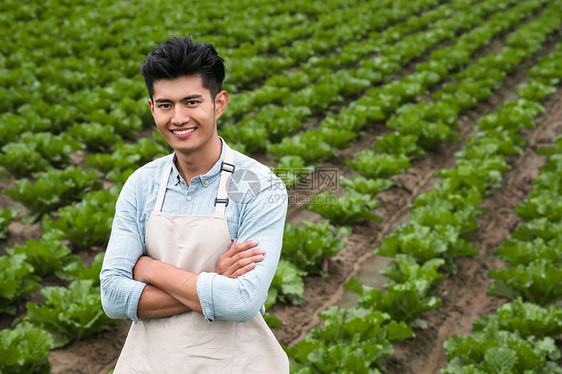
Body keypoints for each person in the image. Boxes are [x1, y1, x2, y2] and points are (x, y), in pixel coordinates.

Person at [100, 35, 289, 373]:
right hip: (150, 364)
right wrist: (212, 277)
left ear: (219, 103)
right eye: (165, 105)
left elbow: (243, 300)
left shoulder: (260, 185)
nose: (178, 118)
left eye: (191, 102)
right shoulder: (142, 184)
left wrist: (150, 269)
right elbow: (113, 297)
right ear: (151, 108)